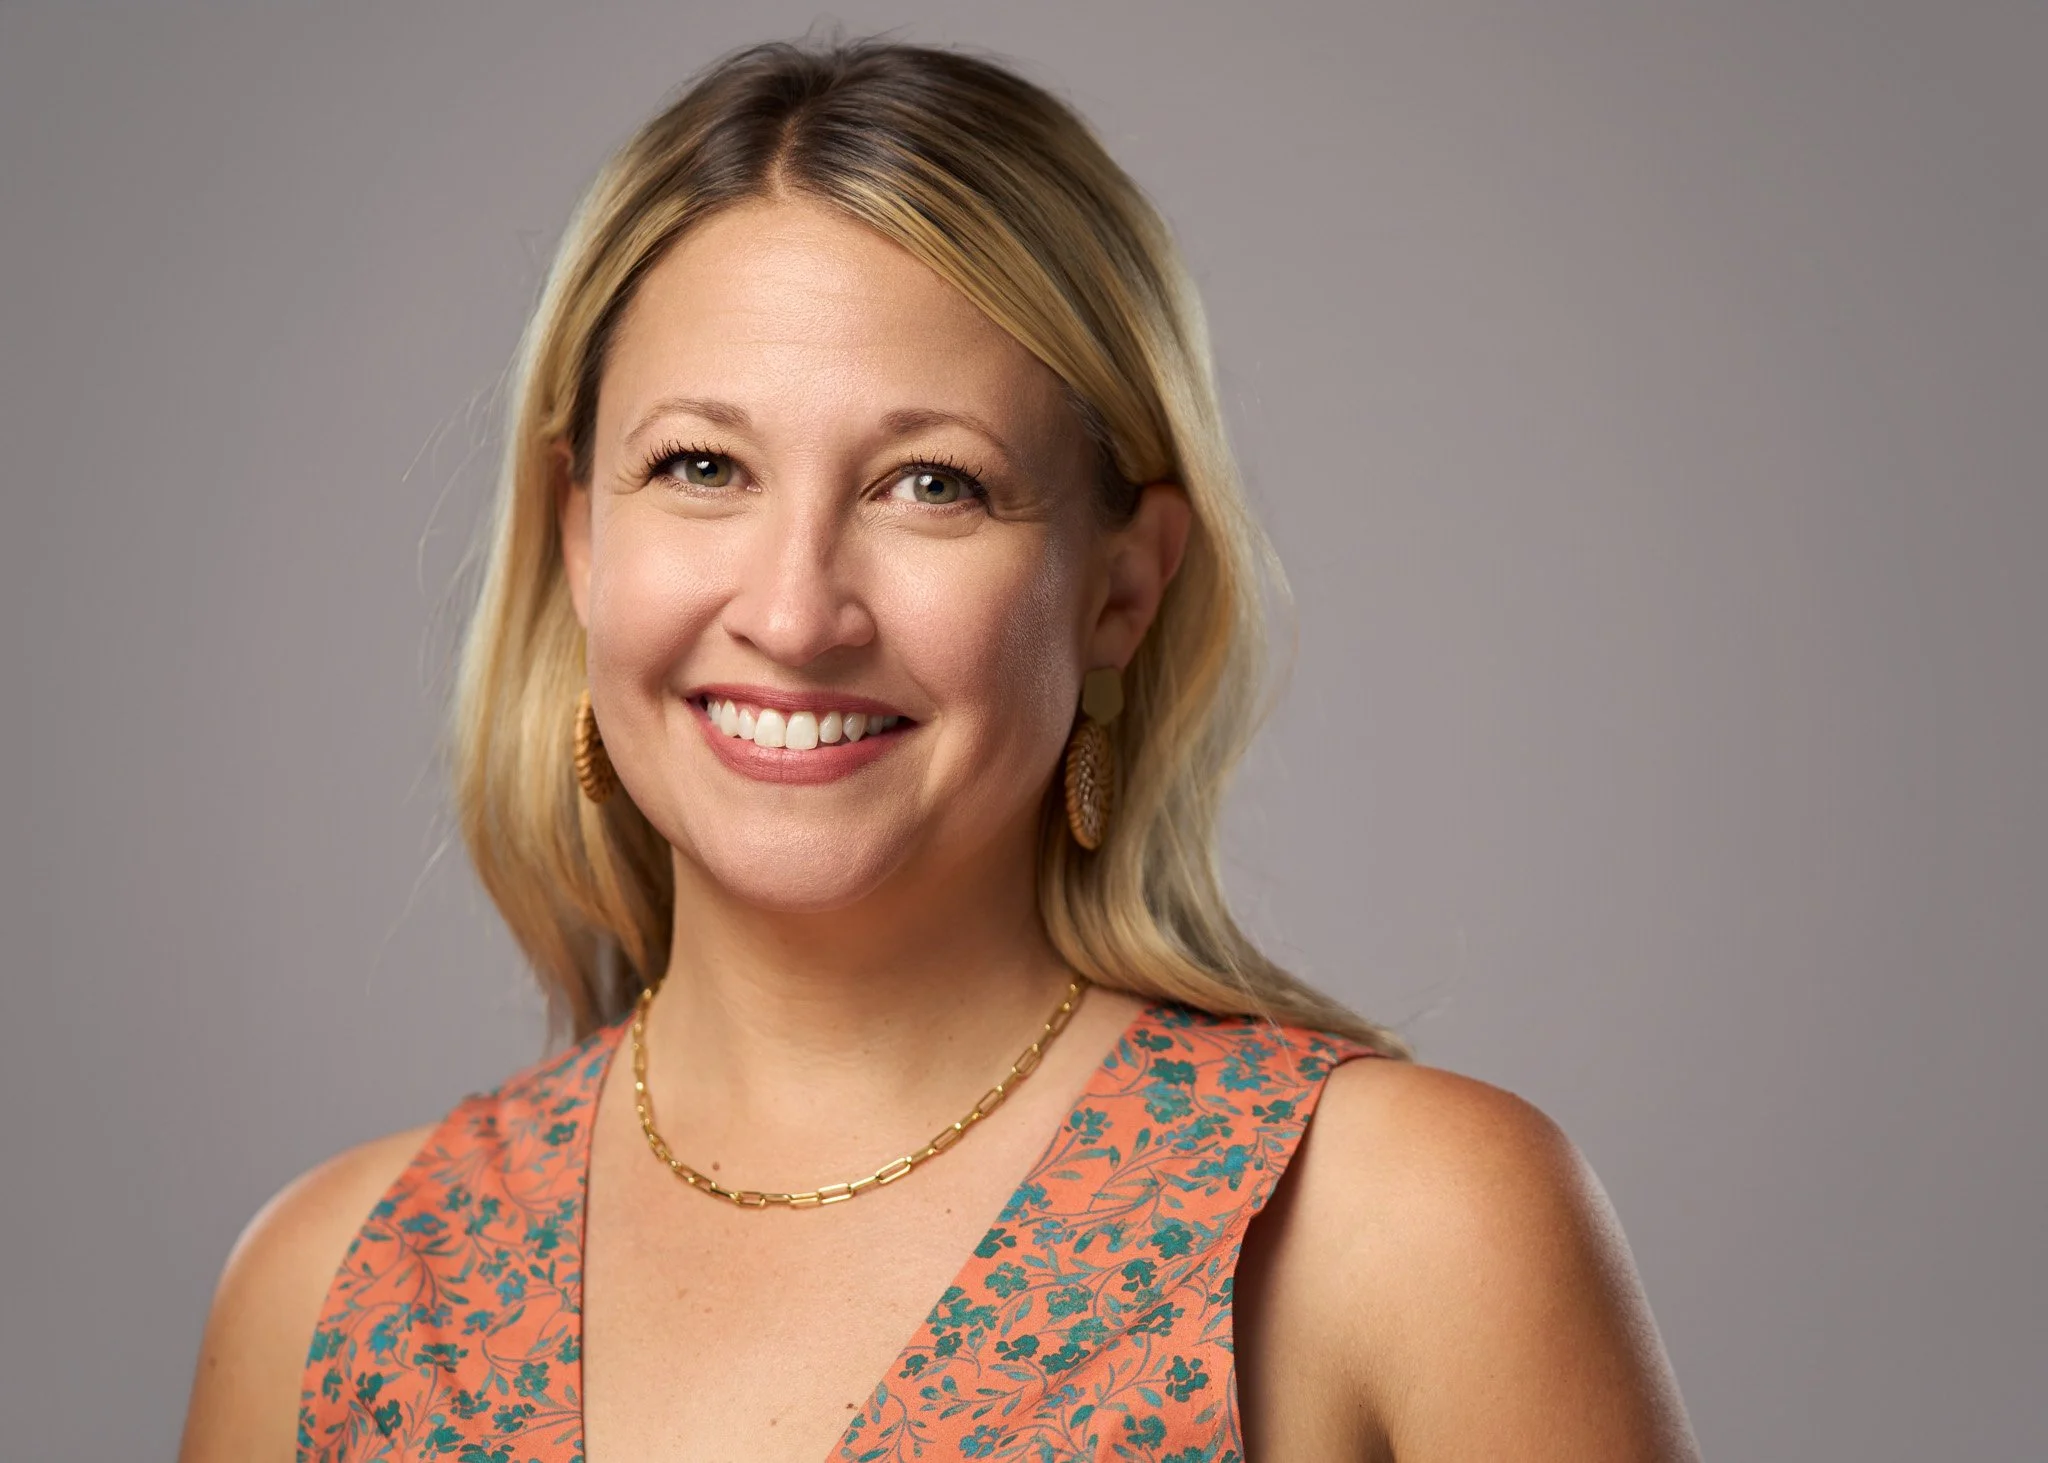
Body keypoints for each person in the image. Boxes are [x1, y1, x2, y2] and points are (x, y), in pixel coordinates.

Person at [178, 37, 1699, 1463]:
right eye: (701, 466)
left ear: (1121, 587)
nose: (793, 609)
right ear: (582, 538)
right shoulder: (329, 1291)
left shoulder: (1408, 1227)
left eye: (932, 485)